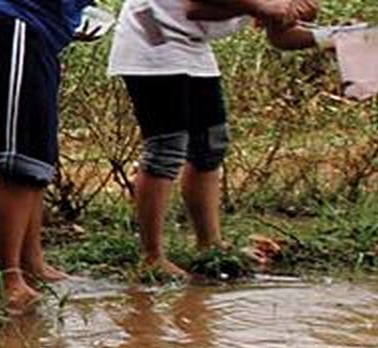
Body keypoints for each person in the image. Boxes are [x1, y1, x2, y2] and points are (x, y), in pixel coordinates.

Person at [107, 0, 320, 280]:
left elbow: (280, 36)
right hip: (152, 36)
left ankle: (209, 243)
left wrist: (337, 39)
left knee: (211, 144)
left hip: (193, 43)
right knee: (166, 150)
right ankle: (152, 257)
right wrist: (263, 7)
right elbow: (194, 6)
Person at [0, 0, 94, 311]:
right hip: (13, 25)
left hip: (32, 29)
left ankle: (30, 263)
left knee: (37, 162)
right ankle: (8, 279)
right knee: (19, 165)